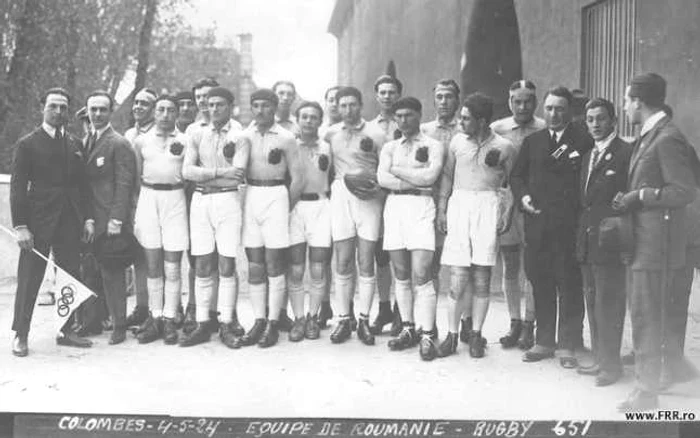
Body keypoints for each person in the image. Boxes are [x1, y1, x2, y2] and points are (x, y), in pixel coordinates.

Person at [614, 73, 697, 411]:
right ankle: (670, 373)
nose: (623, 106)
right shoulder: (653, 136)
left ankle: (646, 391)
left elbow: (684, 191)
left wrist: (640, 195)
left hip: (656, 244)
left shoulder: (666, 139)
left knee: (646, 315)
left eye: (626, 100)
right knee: (650, 313)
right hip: (647, 240)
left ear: (639, 101)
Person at [510, 86, 592, 367]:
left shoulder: (583, 140)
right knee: (540, 281)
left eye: (559, 108)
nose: (554, 114)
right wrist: (524, 197)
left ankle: (568, 345)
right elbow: (517, 176)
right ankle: (544, 340)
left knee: (569, 284)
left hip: (569, 227)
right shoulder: (533, 141)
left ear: (569, 111)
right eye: (549, 108)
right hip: (538, 226)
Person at [10, 88, 93, 356]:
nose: (58, 112)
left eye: (63, 108)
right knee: (29, 279)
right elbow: (18, 187)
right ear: (43, 108)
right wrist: (21, 225)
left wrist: (88, 218)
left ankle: (65, 330)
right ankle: (20, 334)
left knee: (70, 276)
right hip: (37, 223)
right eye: (53, 106)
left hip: (69, 222)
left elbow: (82, 186)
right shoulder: (27, 144)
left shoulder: (74, 143)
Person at [436, 93, 516, 359]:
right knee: (458, 279)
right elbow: (447, 176)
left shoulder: (505, 146)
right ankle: (452, 335)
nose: (461, 122)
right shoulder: (457, 142)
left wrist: (506, 213)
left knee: (482, 278)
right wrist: (443, 209)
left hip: (488, 207)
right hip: (460, 206)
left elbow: (512, 184)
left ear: (482, 121)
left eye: (467, 118)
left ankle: (477, 335)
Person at [181, 87, 249, 348]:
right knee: (202, 263)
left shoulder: (240, 135)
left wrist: (206, 172)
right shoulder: (196, 133)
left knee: (227, 264)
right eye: (210, 104)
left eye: (220, 104)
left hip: (228, 200)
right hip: (200, 201)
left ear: (230, 106)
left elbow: (238, 174)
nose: (214, 109)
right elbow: (187, 171)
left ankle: (225, 322)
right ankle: (201, 323)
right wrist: (219, 172)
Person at [377, 97, 444, 360]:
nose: (404, 120)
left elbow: (430, 177)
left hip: (421, 207)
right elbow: (382, 178)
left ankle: (427, 333)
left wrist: (396, 171)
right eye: (399, 116)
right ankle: (408, 328)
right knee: (401, 273)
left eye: (409, 115)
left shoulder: (433, 145)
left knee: (422, 272)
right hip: (394, 209)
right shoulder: (390, 147)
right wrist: (410, 179)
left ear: (419, 114)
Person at [238, 88, 303, 348]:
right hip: (252, 194)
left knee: (275, 262)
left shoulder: (287, 137)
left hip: (277, 194)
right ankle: (258, 319)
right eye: (256, 105)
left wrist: (285, 206)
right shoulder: (244, 136)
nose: (260, 110)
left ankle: (273, 322)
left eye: (266, 105)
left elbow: (298, 177)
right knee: (255, 263)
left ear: (274, 108)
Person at [575, 98, 631, 386]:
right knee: (593, 301)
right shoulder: (587, 156)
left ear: (613, 121)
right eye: (590, 119)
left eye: (601, 118)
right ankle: (599, 358)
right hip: (587, 241)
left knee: (609, 303)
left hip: (609, 241)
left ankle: (612, 365)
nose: (595, 124)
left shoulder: (626, 152)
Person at [327, 86, 386, 345]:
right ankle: (343, 319)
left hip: (368, 198)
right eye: (343, 105)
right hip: (341, 194)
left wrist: (376, 186)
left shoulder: (376, 132)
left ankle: (363, 319)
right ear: (337, 108)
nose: (348, 110)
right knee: (342, 261)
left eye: (353, 105)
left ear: (361, 106)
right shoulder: (329, 134)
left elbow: (385, 169)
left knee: (366, 260)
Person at [490, 80, 546, 351]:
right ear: (509, 101)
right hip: (506, 201)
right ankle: (513, 321)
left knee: (533, 264)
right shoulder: (497, 129)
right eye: (517, 101)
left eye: (528, 101)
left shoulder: (544, 128)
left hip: (534, 203)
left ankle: (529, 324)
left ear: (535, 102)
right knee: (510, 263)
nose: (522, 106)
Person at [131, 95, 190, 345]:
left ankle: (169, 318)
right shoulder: (141, 141)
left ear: (176, 115)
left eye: (170, 110)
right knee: (153, 263)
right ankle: (155, 317)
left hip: (175, 199)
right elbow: (134, 177)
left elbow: (188, 177)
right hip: (148, 197)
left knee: (173, 265)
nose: (165, 114)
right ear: (154, 113)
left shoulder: (187, 140)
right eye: (161, 110)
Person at [83, 90, 138, 346]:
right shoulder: (87, 140)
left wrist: (117, 220)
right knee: (91, 272)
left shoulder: (118, 143)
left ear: (111, 111)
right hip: (91, 219)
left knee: (113, 273)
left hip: (110, 221)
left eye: (102, 109)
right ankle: (93, 321)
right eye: (93, 110)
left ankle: (119, 325)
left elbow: (125, 184)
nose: (97, 114)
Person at [286, 101, 332, 341]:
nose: (308, 121)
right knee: (296, 268)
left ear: (320, 121)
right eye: (304, 117)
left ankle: (313, 317)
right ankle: (299, 317)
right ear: (297, 119)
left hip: (321, 207)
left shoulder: (327, 146)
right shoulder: (289, 145)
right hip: (295, 207)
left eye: (314, 117)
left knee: (317, 266)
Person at [367, 74, 403, 337]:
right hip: (378, 197)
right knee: (381, 255)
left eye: (392, 92)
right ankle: (384, 307)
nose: (387, 96)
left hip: (402, 196)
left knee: (402, 252)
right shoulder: (368, 128)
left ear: (398, 95)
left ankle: (402, 311)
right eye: (383, 92)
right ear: (376, 95)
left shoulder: (411, 124)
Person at [123, 88, 157, 331]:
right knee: (137, 258)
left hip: (151, 199)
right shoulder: (127, 134)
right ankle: (141, 307)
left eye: (144, 103)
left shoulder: (158, 134)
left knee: (154, 258)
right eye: (136, 102)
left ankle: (159, 310)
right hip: (129, 201)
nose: (138, 107)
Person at [316, 85, 343, 328]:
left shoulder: (350, 131)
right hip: (324, 197)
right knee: (323, 255)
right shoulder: (321, 132)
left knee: (344, 255)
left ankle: (347, 308)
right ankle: (323, 304)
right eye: (330, 99)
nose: (334, 104)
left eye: (339, 100)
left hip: (344, 197)